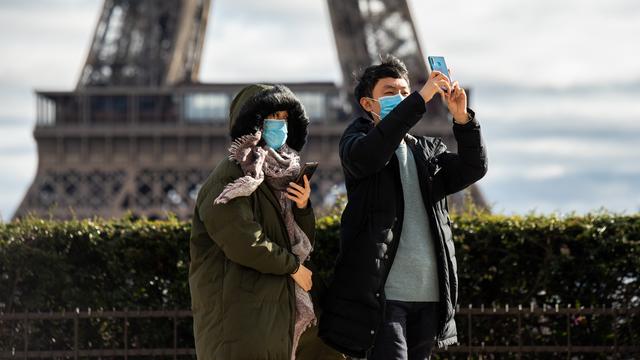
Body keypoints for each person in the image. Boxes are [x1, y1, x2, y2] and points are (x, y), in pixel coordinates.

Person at [318, 55, 488, 360]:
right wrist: (421, 97)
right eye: (389, 92)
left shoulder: (426, 150)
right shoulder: (357, 143)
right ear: (368, 104)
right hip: (385, 297)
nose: (399, 98)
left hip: (428, 294)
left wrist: (463, 119)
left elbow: (472, 168)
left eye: (404, 91)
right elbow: (371, 155)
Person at [189, 84, 344, 360]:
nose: (281, 125)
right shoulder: (231, 176)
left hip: (272, 311)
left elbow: (300, 244)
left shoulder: (283, 176)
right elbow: (243, 239)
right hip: (244, 313)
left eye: (285, 118)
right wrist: (293, 268)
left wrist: (302, 207)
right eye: (273, 118)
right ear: (253, 124)